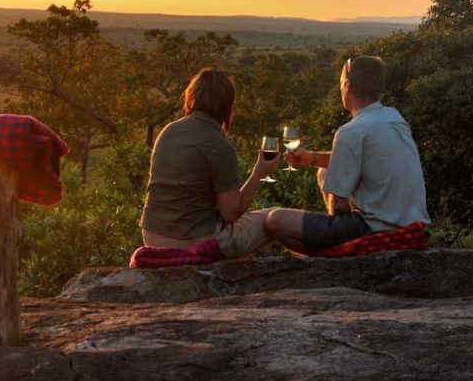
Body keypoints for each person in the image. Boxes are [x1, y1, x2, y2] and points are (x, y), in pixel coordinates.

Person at [267, 55, 430, 253]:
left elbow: (339, 206)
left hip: (374, 229)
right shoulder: (395, 118)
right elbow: (362, 161)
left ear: (347, 85)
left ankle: (331, 260)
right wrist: (313, 158)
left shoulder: (351, 131)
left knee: (275, 220)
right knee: (323, 172)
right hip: (411, 225)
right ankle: (333, 254)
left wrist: (338, 222)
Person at [140, 67, 281, 258]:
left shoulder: (168, 131)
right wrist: (258, 173)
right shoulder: (220, 146)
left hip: (152, 236)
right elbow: (231, 213)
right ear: (228, 106)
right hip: (195, 240)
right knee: (272, 219)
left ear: (191, 97)